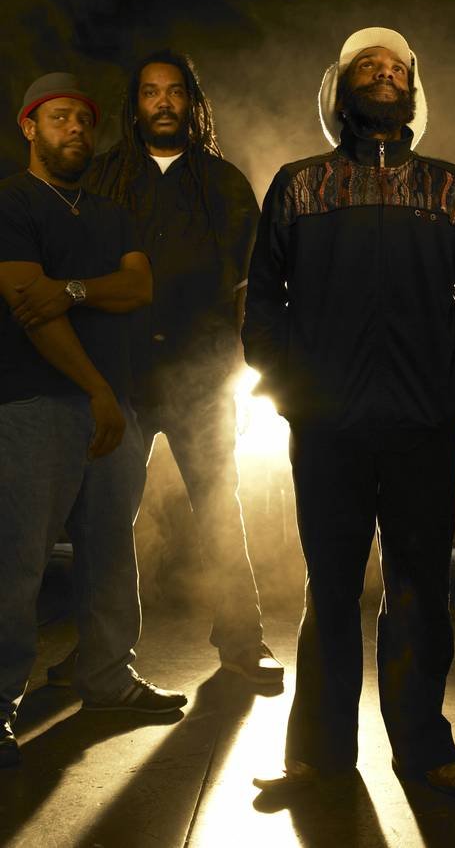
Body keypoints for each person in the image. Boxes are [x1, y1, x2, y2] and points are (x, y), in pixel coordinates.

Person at [244, 27, 455, 796]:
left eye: (398, 68)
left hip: (421, 428)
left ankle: (427, 755)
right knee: (330, 590)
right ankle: (319, 756)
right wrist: (290, 387)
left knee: (420, 590)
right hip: (326, 427)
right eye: (369, 66)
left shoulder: (450, 188)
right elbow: (263, 301)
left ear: (413, 89)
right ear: (340, 87)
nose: (386, 75)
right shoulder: (299, 185)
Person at [49, 50, 282, 687]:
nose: (163, 102)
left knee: (219, 509)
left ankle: (243, 641)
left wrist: (243, 368)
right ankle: (99, 652)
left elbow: (253, 283)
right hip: (119, 376)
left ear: (192, 103)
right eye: (151, 92)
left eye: (175, 91)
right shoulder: (102, 176)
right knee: (104, 520)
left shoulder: (224, 182)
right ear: (136, 105)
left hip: (200, 374)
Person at [0, 73, 188, 767]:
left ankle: (107, 678)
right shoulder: (13, 203)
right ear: (30, 127)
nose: (75, 129)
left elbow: (138, 285)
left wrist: (73, 289)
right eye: (59, 118)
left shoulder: (111, 213)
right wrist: (97, 390)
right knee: (16, 561)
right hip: (34, 406)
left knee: (111, 553)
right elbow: (29, 306)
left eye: (83, 119)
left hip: (113, 409)